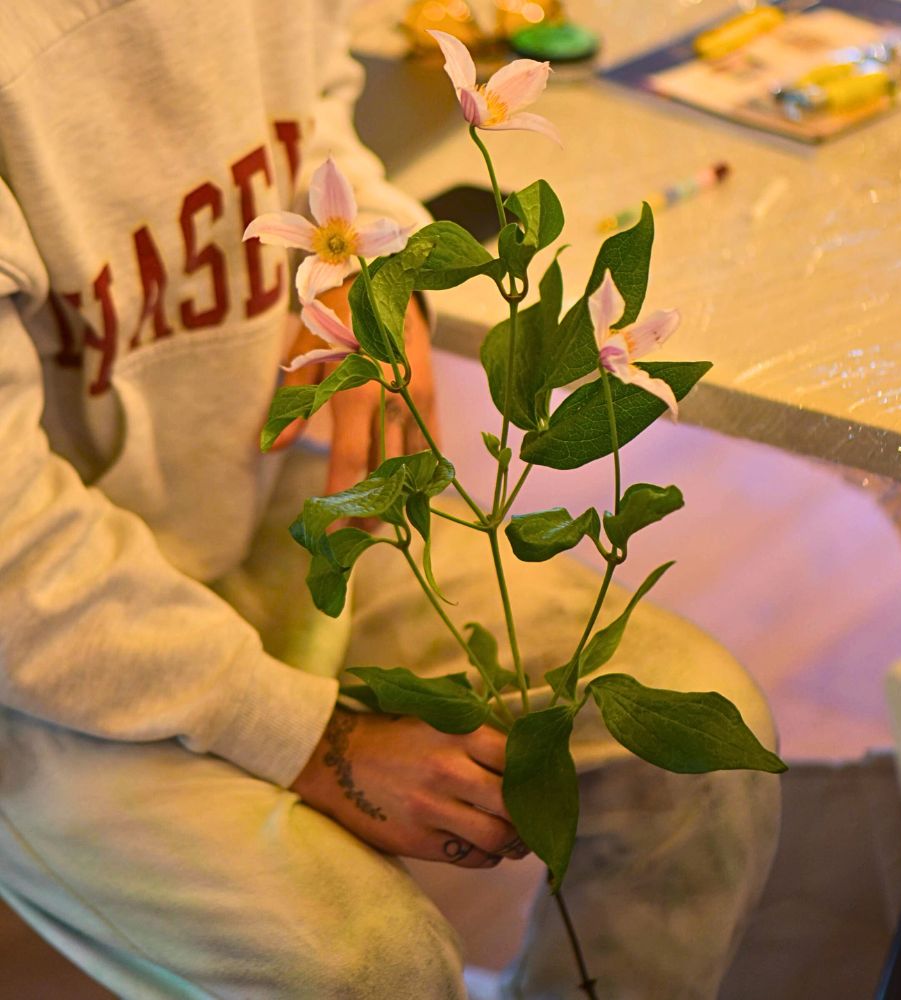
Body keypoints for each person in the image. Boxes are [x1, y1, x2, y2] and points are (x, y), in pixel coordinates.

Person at [0, 1, 781, 996]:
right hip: (41, 659)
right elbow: (15, 562)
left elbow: (315, 128)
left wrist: (372, 268)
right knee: (368, 963)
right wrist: (303, 735)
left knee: (696, 759)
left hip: (273, 512)